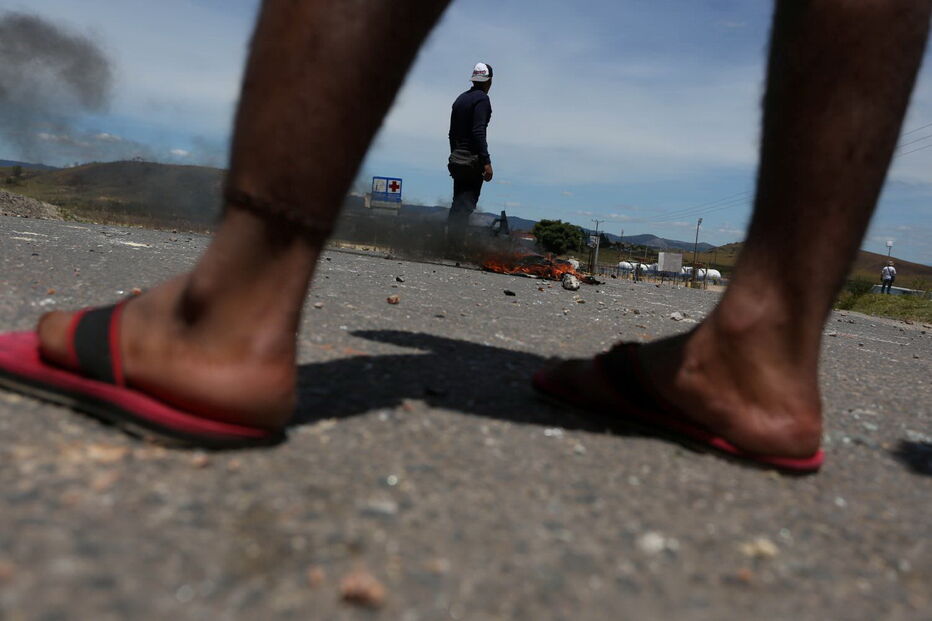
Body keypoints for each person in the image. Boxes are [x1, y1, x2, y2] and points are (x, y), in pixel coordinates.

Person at [0, 0, 929, 470]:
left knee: (453, 219)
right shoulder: (474, 103)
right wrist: (478, 161)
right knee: (455, 212)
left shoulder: (465, 94)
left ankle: (227, 308)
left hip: (456, 160)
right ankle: (765, 345)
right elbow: (471, 141)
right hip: (461, 161)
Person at [446, 62, 494, 251]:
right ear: (489, 80)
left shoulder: (460, 99)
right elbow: (478, 131)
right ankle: (454, 248)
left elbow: (451, 133)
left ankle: (449, 245)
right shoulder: (482, 100)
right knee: (465, 206)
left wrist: (454, 154)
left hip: (457, 158)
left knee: (457, 204)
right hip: (472, 160)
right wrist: (486, 161)